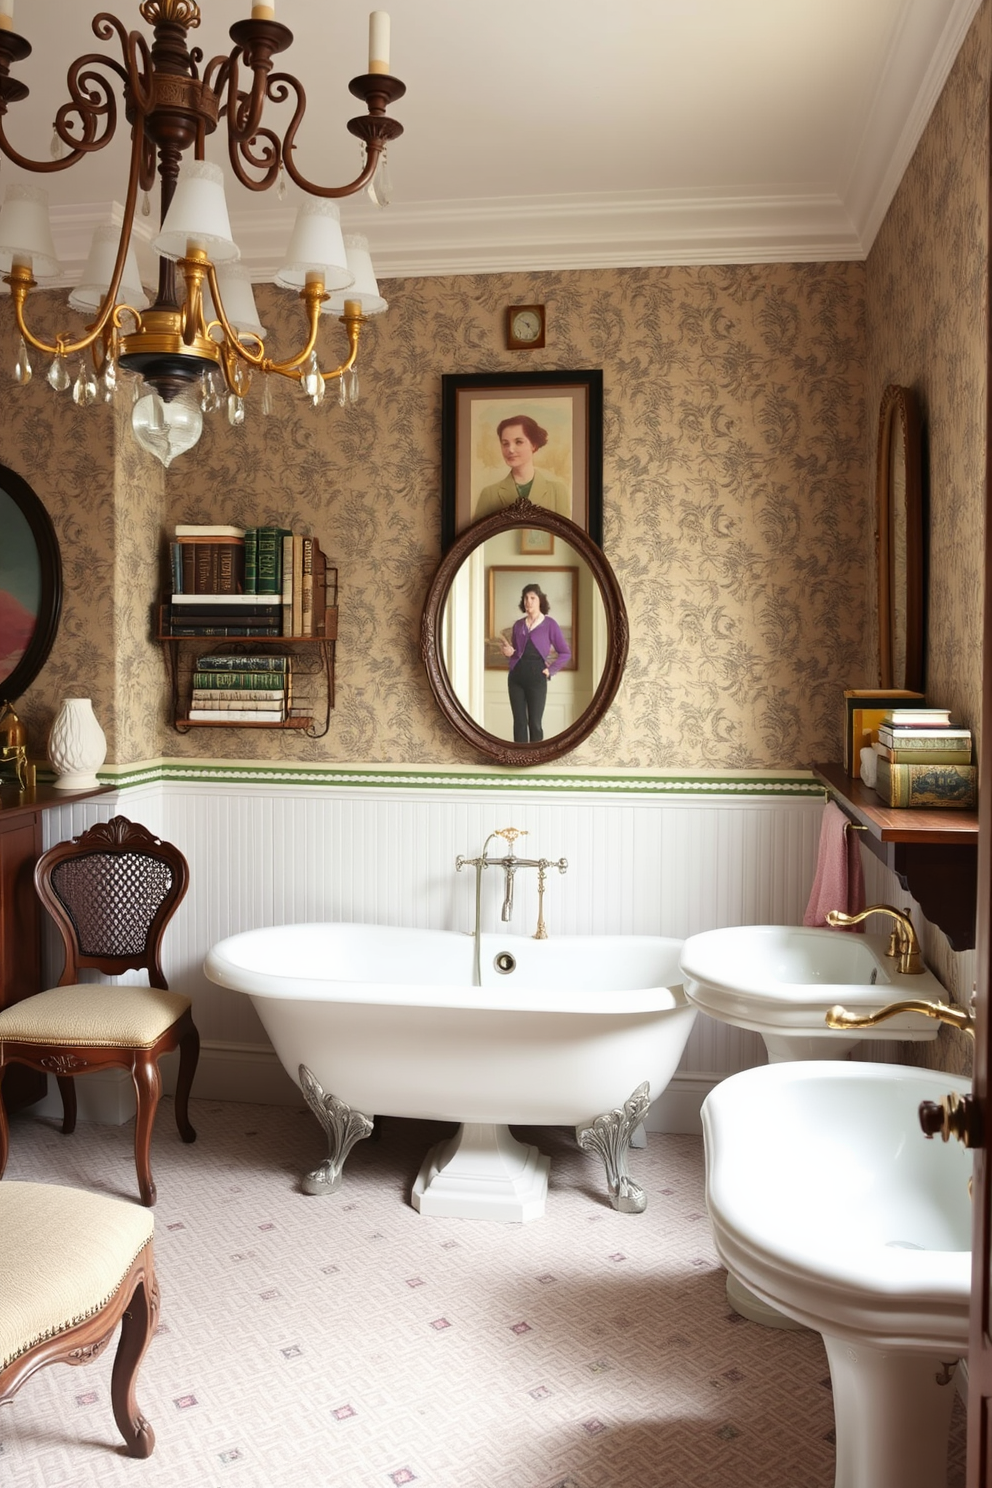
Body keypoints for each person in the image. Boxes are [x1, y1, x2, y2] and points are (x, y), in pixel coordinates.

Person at [498, 583, 571, 743]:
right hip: (516, 677)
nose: (528, 601)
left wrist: (550, 670)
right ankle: (519, 759)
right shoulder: (518, 625)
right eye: (525, 598)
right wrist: (509, 653)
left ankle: (535, 761)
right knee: (519, 723)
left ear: (540, 601)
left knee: (535, 724)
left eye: (532, 598)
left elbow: (565, 653)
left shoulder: (549, 624)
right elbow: (516, 653)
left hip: (537, 677)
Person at [475, 415, 571, 520]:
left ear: (533, 445)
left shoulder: (557, 492)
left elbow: (564, 535)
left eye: (518, 442)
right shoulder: (489, 494)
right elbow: (479, 535)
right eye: (505, 443)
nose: (510, 449)